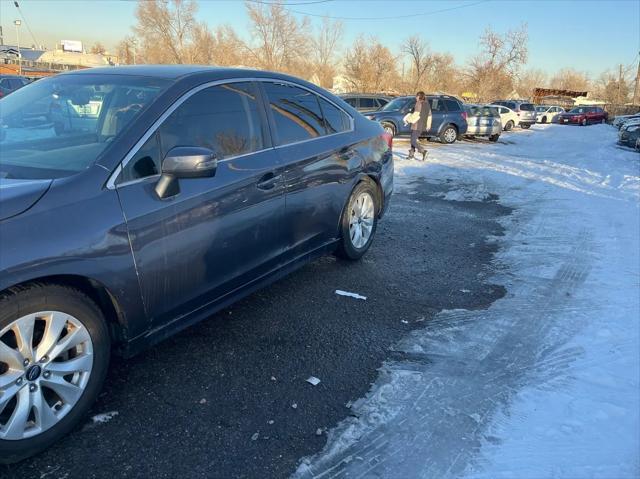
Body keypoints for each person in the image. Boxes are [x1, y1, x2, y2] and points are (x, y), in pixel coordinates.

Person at [408, 91, 431, 161]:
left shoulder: (418, 103)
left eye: (416, 96)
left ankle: (423, 151)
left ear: (419, 96)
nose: (416, 97)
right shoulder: (427, 104)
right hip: (422, 125)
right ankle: (411, 154)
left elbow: (416, 114)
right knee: (413, 139)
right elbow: (430, 116)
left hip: (416, 125)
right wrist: (428, 125)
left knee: (413, 140)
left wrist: (409, 119)